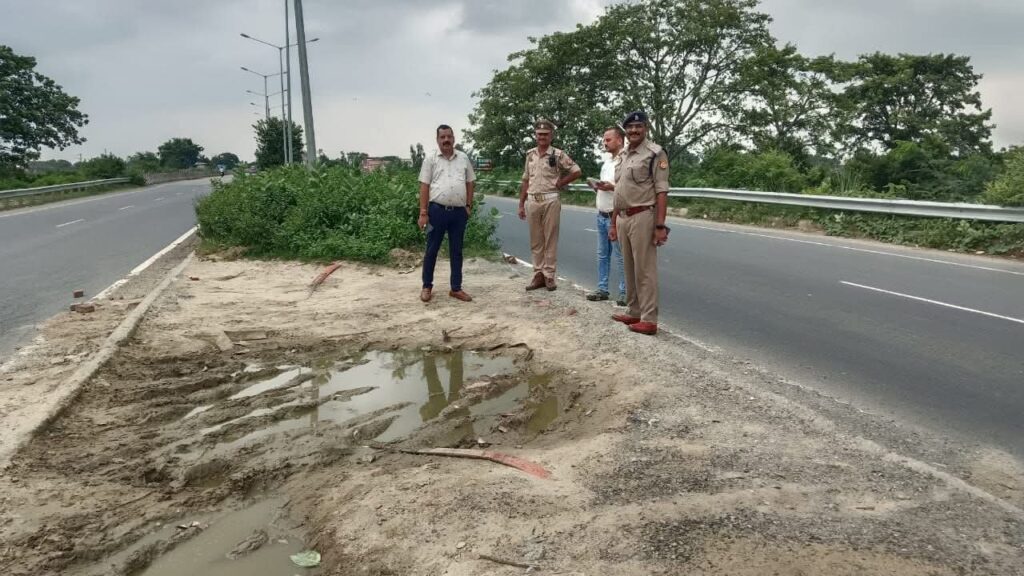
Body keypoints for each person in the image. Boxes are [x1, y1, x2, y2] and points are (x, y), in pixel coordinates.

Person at [609, 111, 670, 335]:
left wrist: (660, 226)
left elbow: (662, 191)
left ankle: (649, 319)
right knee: (629, 268)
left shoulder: (655, 153)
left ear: (646, 128)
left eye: (638, 126)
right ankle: (633, 312)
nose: (634, 131)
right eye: (630, 127)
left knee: (645, 270)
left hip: (643, 215)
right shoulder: (624, 154)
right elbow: (619, 191)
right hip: (623, 216)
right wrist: (613, 223)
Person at [517, 118, 582, 291]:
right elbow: (525, 179)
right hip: (533, 199)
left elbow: (576, 171)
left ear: (551, 135)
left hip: (550, 199)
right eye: (539, 134)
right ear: (535, 135)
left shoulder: (558, 154)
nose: (542, 137)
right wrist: (521, 204)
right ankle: (537, 274)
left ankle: (549, 276)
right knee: (536, 240)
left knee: (550, 239)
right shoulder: (530, 154)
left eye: (545, 134)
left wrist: (561, 182)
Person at [418, 124, 475, 303]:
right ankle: (427, 286)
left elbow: (470, 182)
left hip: (458, 213)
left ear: (454, 138)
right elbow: (424, 186)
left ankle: (456, 288)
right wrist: (423, 213)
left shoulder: (463, 158)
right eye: (442, 137)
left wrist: (468, 206)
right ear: (437, 140)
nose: (446, 140)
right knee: (431, 249)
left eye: (449, 137)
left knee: (457, 251)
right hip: (436, 211)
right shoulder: (431, 159)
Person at [586, 126, 627, 306]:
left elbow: (628, 189)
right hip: (601, 214)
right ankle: (603, 288)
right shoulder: (607, 162)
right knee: (603, 254)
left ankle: (625, 292)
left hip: (615, 215)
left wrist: (610, 187)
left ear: (619, 140)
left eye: (608, 139)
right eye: (604, 140)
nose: (605, 143)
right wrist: (597, 186)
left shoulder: (625, 161)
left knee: (620, 255)